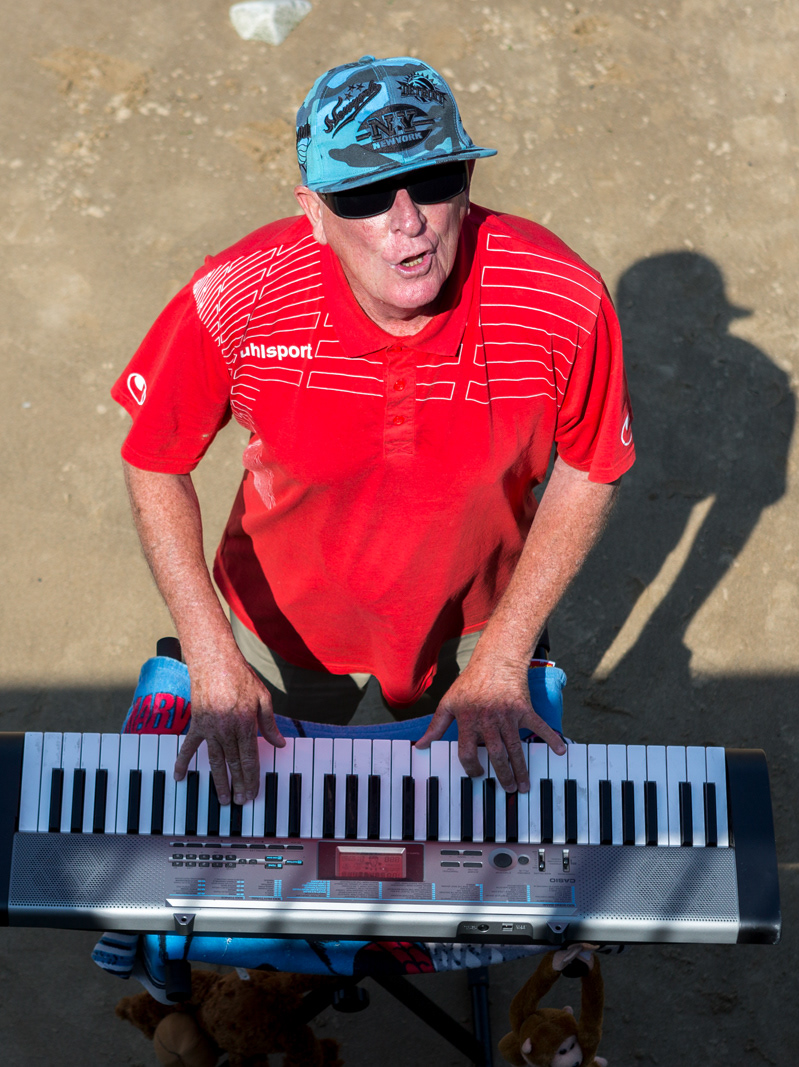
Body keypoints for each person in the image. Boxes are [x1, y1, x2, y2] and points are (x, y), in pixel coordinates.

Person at [112, 55, 634, 812]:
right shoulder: (238, 296)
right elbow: (154, 458)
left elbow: (592, 465)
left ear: (466, 184)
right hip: (280, 622)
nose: (407, 220)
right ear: (314, 212)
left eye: (432, 180)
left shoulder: (562, 299)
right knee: (247, 830)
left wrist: (506, 651)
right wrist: (211, 651)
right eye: (362, 192)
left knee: (465, 842)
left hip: (473, 628)